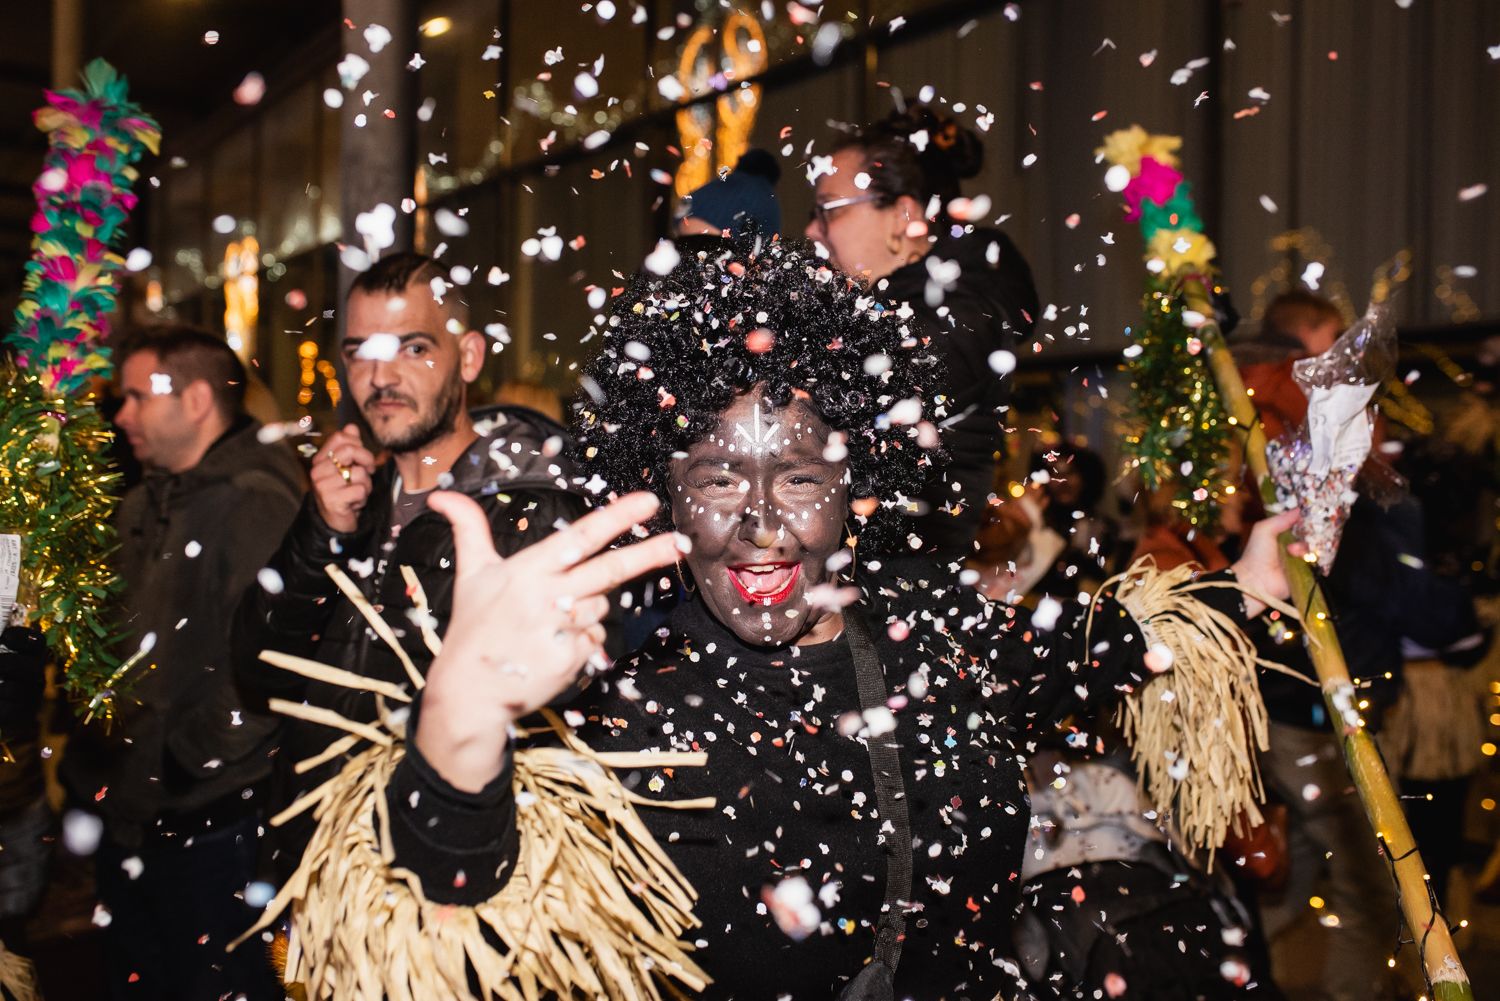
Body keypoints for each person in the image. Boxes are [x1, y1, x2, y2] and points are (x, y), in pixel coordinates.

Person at [263, 240, 1298, 998]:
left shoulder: (925, 630)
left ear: (858, 490)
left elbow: (1103, 648)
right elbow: (449, 898)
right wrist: (462, 722)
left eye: (799, 473)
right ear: (661, 489)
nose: (760, 521)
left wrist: (1244, 588)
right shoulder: (606, 684)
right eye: (717, 476)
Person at [231, 252, 590, 883]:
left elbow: (560, 709)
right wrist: (323, 531)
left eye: (412, 347)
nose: (379, 375)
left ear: (470, 358)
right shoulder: (352, 501)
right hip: (323, 874)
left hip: (447, 881)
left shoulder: (530, 509)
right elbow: (259, 672)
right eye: (359, 352)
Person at [59, 326, 304, 999]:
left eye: (137, 396)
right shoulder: (146, 499)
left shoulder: (255, 500)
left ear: (196, 399)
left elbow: (272, 664)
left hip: (209, 827)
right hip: (134, 813)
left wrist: (184, 760)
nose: (121, 413)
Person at [806, 104, 1040, 563]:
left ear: (901, 215)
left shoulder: (962, 315)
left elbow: (848, 398)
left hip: (901, 604)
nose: (812, 229)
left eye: (828, 210)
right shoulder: (881, 309)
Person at [676, 147, 782, 237]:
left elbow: (681, 215)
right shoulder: (763, 192)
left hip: (686, 242)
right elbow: (771, 244)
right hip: (723, 251)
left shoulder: (715, 185)